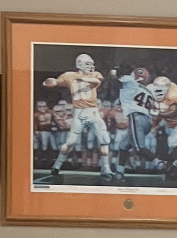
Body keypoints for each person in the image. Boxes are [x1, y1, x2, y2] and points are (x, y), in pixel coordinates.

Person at [44, 54, 120, 182]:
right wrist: (51, 82)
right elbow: (56, 82)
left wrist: (82, 78)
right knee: (71, 142)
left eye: (91, 64)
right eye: (87, 64)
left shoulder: (95, 74)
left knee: (104, 139)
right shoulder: (69, 76)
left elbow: (97, 81)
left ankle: (105, 168)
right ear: (79, 65)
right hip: (79, 113)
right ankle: (56, 166)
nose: (91, 67)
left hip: (93, 112)